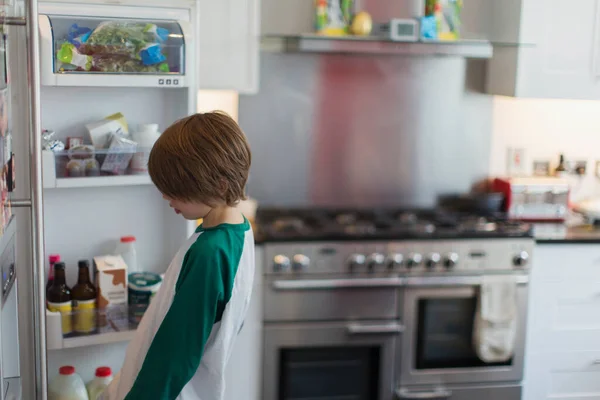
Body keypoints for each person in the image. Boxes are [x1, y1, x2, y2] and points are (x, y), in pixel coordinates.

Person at [103, 112, 254, 400]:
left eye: (176, 187)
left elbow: (176, 354)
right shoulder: (238, 230)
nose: (166, 196)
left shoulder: (209, 252)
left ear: (219, 184)